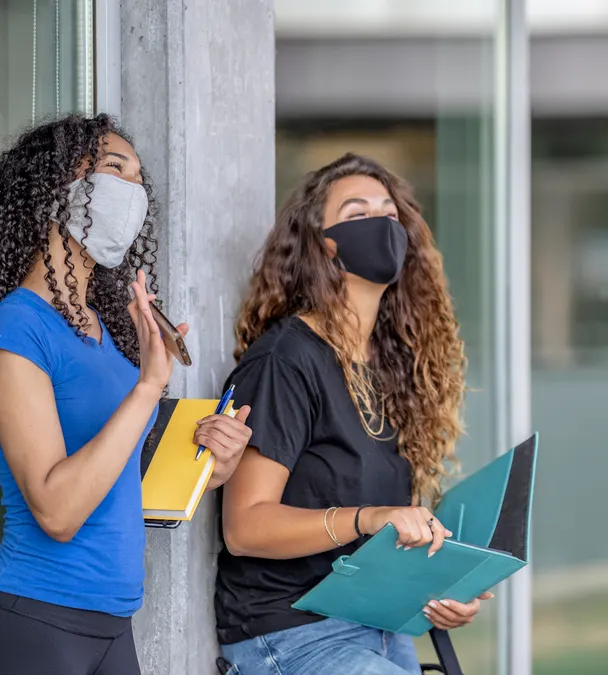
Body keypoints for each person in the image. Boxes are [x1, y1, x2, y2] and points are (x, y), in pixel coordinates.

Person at [215, 153, 490, 675]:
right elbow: (245, 527)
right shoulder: (285, 361)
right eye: (358, 213)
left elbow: (396, 530)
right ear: (323, 244)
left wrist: (443, 589)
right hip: (292, 635)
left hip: (380, 626)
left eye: (390, 213)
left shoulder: (392, 366)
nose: (383, 225)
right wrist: (369, 519)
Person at [0, 114, 253, 674]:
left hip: (114, 623)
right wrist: (149, 385)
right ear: (54, 185)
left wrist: (211, 466)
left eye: (139, 178)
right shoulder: (17, 325)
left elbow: (120, 479)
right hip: (41, 617)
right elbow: (58, 511)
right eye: (115, 168)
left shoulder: (102, 331)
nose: (132, 191)